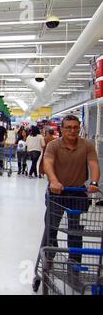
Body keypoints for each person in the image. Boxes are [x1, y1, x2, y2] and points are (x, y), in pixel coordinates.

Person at [41, 115, 100, 268]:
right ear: (62, 129)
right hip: (57, 193)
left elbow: (93, 163)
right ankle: (48, 257)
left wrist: (94, 182)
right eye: (68, 127)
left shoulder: (87, 145)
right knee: (51, 227)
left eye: (75, 127)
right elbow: (48, 163)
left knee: (75, 230)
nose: (72, 130)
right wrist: (54, 180)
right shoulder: (53, 145)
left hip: (77, 192)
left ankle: (74, 263)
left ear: (79, 128)